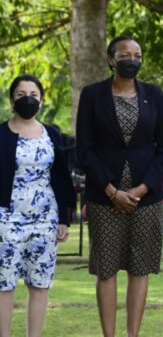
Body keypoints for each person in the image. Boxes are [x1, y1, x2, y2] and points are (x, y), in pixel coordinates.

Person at [76, 35, 163, 337]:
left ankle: (133, 334)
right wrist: (111, 190)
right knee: (106, 269)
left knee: (139, 267)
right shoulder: (92, 95)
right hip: (104, 197)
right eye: (125, 54)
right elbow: (85, 149)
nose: (132, 59)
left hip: (145, 198)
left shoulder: (154, 95)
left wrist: (142, 189)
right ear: (111, 60)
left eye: (137, 54)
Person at [0, 75, 76, 337]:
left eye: (33, 93)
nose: (28, 99)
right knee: (3, 285)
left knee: (40, 285)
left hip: (45, 220)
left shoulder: (52, 134)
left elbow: (62, 178)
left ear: (41, 99)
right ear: (12, 100)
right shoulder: (1, 134)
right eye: (21, 94)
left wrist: (65, 218)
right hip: (6, 220)